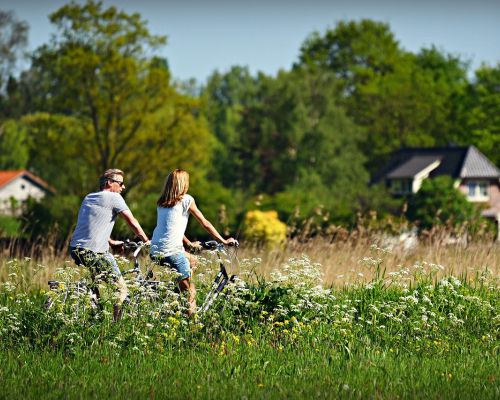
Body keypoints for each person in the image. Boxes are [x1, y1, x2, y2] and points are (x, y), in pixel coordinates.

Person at [150, 169, 237, 315]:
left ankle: (175, 296)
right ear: (183, 184)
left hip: (155, 250)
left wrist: (188, 243)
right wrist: (223, 240)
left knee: (193, 260)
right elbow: (205, 223)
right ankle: (192, 325)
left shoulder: (162, 202)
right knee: (191, 292)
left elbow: (171, 227)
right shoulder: (186, 200)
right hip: (172, 252)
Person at [69, 169, 149, 321]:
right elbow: (132, 221)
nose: (123, 187)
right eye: (120, 183)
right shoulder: (114, 197)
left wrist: (111, 242)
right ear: (109, 183)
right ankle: (114, 327)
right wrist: (146, 240)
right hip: (94, 251)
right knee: (122, 289)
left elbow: (92, 226)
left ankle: (95, 317)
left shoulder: (89, 197)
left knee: (95, 285)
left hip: (75, 248)